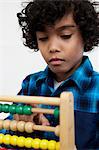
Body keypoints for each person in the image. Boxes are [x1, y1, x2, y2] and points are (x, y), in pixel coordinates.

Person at [0, 0, 99, 149]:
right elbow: (6, 136)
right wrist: (19, 124)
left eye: (65, 36)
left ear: (85, 35)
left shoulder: (96, 89)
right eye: (43, 38)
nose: (52, 47)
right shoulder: (31, 84)